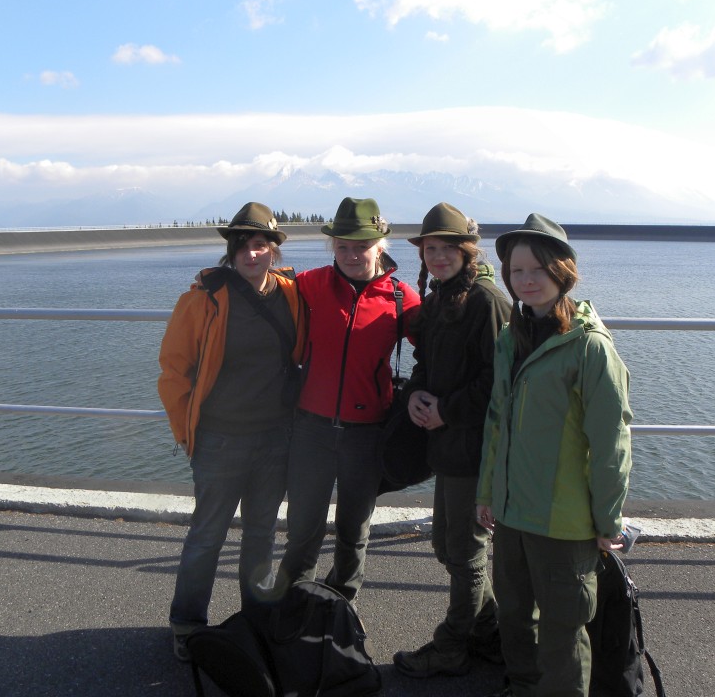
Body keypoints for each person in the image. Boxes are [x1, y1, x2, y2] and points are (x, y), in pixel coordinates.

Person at [476, 213, 633, 697]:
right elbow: (497, 422)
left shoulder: (590, 348)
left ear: (562, 272)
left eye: (538, 270)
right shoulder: (513, 337)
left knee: (563, 629)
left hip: (564, 523)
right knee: (515, 617)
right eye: (516, 271)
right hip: (512, 514)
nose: (526, 280)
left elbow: (611, 443)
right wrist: (487, 493)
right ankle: (523, 687)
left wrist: (607, 520)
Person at [157, 202, 306, 662]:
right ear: (231, 251)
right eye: (242, 245)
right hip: (220, 439)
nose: (251, 254)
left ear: (274, 250)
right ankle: (187, 624)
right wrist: (187, 432)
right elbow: (174, 371)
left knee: (262, 534)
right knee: (207, 535)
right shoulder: (203, 298)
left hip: (275, 437)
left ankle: (256, 621)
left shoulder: (292, 294)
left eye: (260, 244)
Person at [278, 196, 420, 604]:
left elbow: (439, 348)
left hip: (367, 433)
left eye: (362, 246)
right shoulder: (310, 284)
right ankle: (294, 606)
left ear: (380, 246)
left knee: (353, 531)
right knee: (302, 529)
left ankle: (341, 606)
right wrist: (217, 280)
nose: (352, 255)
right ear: (332, 247)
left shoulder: (401, 298)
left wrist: (421, 393)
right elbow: (262, 290)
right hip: (311, 429)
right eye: (343, 247)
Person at [392, 203, 512, 679]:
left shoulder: (486, 301)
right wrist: (417, 395)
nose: (438, 256)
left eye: (447, 248)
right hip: (448, 446)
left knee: (465, 553)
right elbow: (426, 364)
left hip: (476, 449)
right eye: (430, 249)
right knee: (447, 546)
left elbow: (497, 382)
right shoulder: (441, 297)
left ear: (467, 251)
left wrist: (445, 409)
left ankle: (452, 647)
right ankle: (491, 634)